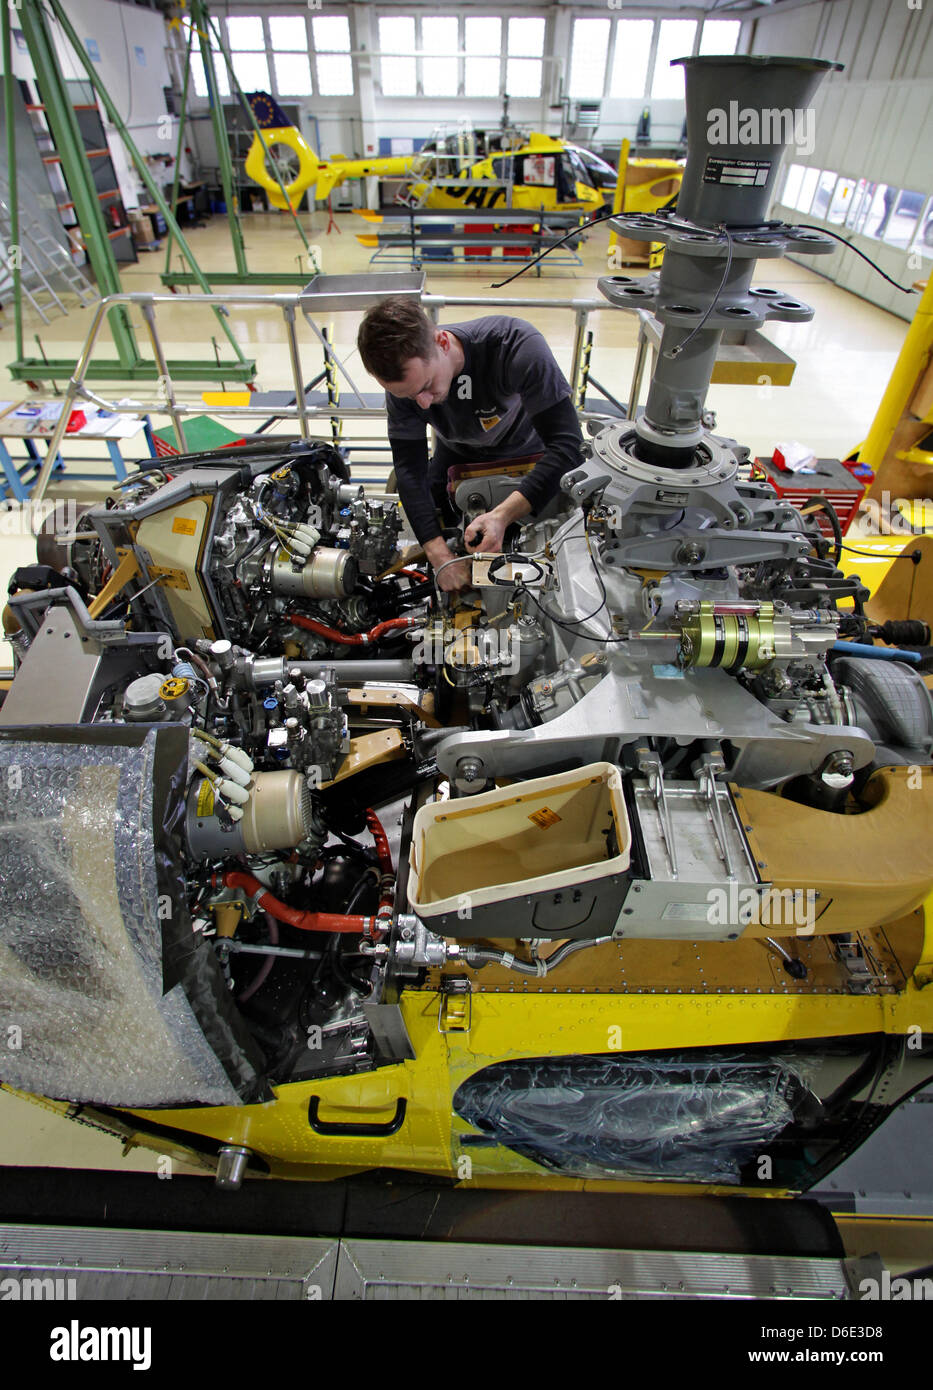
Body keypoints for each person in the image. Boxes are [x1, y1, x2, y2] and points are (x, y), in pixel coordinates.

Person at [357, 296, 583, 591]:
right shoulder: (406, 386)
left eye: (425, 387)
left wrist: (502, 515)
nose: (422, 403)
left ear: (442, 342)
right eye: (409, 396)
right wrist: (439, 554)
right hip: (456, 455)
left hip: (529, 454)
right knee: (435, 517)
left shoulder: (514, 345)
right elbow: (409, 472)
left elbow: (568, 446)